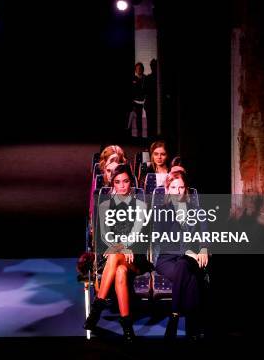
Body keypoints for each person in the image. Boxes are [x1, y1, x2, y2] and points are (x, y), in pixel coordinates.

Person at [84, 164, 150, 343]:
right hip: (117, 259)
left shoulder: (141, 205)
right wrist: (120, 246)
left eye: (126, 181)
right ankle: (128, 328)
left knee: (114, 255)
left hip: (136, 258)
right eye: (118, 182)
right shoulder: (105, 205)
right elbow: (105, 235)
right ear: (113, 184)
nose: (122, 186)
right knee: (120, 271)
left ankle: (96, 309)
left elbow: (136, 235)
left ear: (131, 182)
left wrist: (123, 246)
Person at [153, 171, 208, 340]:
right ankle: (193, 328)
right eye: (173, 187)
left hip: (188, 259)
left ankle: (174, 317)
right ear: (167, 190)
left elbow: (205, 234)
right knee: (188, 275)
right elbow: (164, 241)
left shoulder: (197, 210)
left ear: (186, 189)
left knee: (185, 265)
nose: (177, 191)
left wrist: (204, 249)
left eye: (181, 187)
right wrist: (188, 251)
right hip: (166, 258)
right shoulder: (161, 211)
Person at [129, 62, 148, 139]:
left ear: (143, 69)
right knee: (135, 119)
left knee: (142, 118)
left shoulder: (146, 78)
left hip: (145, 101)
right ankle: (136, 136)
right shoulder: (133, 79)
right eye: (137, 69)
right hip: (135, 101)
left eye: (140, 68)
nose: (139, 70)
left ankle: (142, 135)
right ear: (135, 70)